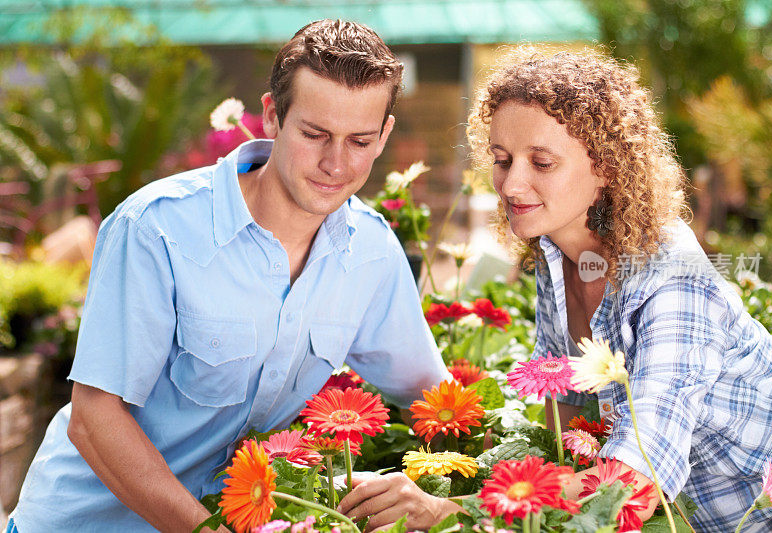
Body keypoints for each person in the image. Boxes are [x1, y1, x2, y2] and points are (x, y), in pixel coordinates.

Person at [8, 19, 451, 533]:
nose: (335, 163)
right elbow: (94, 418)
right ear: (270, 116)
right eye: (314, 134)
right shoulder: (156, 228)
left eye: (359, 140)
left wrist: (453, 496)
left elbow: (432, 396)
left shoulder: (371, 252)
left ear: (384, 137)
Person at [463, 47, 772, 531]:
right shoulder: (557, 253)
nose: (512, 184)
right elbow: (568, 402)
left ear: (605, 166)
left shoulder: (672, 280)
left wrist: (464, 510)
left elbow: (632, 489)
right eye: (501, 159)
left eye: (541, 162)